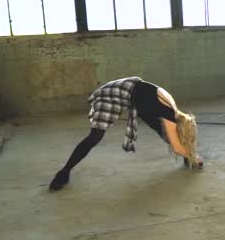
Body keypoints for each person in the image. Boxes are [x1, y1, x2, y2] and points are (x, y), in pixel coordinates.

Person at [49, 77, 202, 191]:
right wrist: (194, 156)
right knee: (95, 137)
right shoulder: (169, 114)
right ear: (180, 125)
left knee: (159, 128)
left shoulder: (170, 105)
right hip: (111, 95)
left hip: (136, 94)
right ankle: (63, 173)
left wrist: (189, 153)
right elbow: (176, 146)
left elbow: (169, 136)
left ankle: (187, 158)